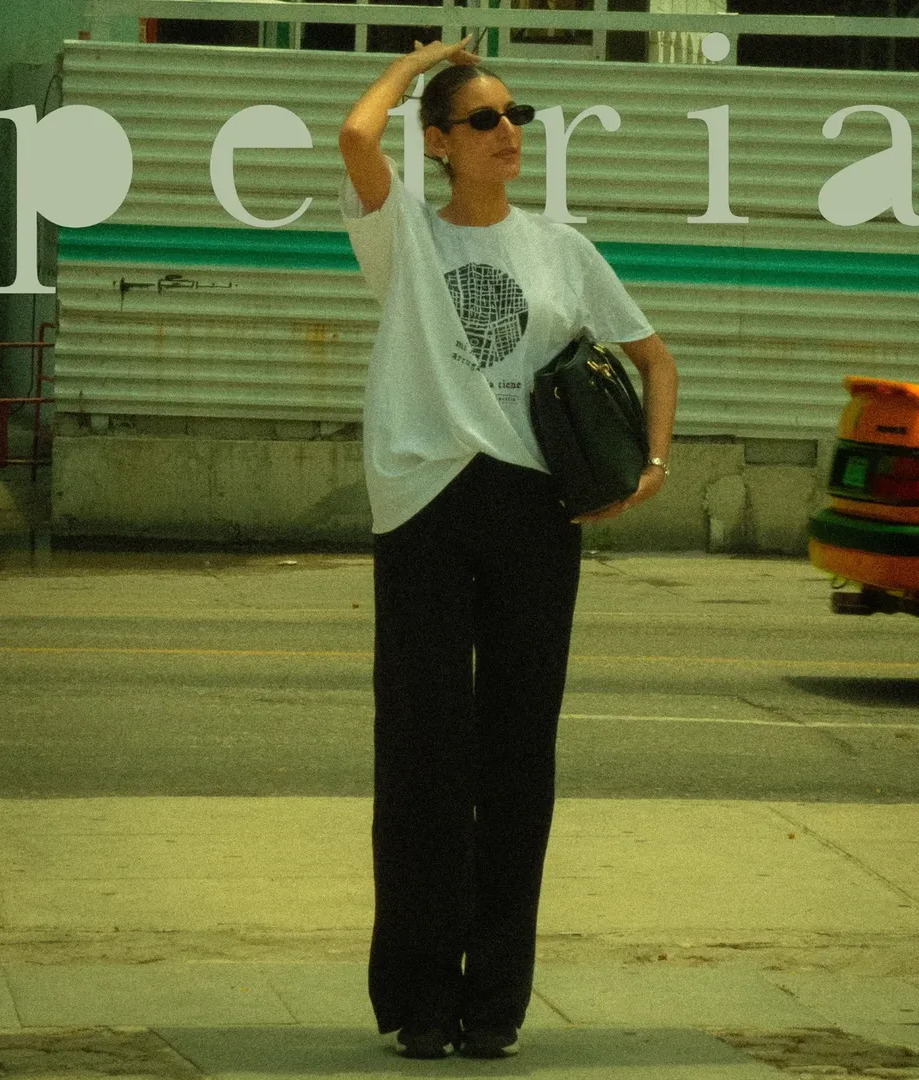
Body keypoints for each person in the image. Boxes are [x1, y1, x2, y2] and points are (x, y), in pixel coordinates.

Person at [338, 37, 678, 1061]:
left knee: (519, 754)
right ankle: (421, 1000)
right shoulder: (402, 233)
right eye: (483, 119)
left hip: (534, 511)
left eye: (516, 116)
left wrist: (649, 465)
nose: (508, 133)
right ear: (439, 142)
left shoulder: (561, 248)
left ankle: (494, 1003)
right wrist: (417, 63)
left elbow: (655, 359)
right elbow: (355, 133)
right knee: (423, 754)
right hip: (426, 503)